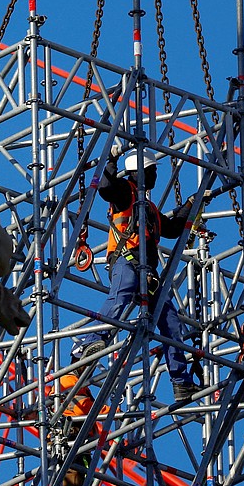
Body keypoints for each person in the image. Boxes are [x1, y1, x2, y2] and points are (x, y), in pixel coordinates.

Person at [72, 148, 203, 402]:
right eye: (151, 171)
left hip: (148, 272)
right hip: (127, 261)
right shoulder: (125, 192)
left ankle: (181, 382)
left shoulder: (149, 207)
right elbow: (106, 187)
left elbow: (173, 228)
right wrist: (109, 159)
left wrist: (190, 205)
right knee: (120, 297)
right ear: (138, 172)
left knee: (170, 322)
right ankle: (89, 342)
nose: (155, 175)